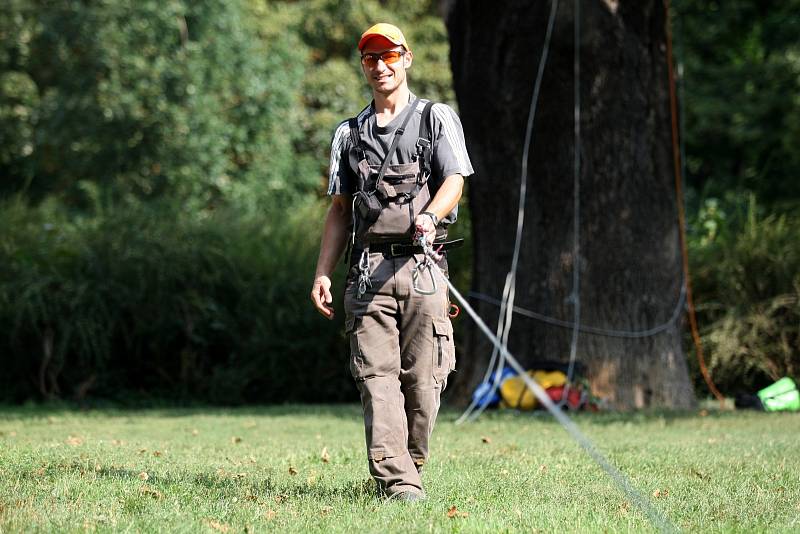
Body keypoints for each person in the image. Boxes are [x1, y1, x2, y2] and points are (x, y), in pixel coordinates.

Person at [310, 22, 473, 501]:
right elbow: (339, 211)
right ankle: (398, 481)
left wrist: (430, 217)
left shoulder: (435, 118)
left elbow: (455, 180)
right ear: (363, 65)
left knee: (424, 382)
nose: (380, 66)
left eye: (389, 56)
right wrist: (322, 270)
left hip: (424, 273)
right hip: (367, 275)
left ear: (406, 59)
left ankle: (409, 465)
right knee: (376, 380)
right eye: (370, 58)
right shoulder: (348, 134)